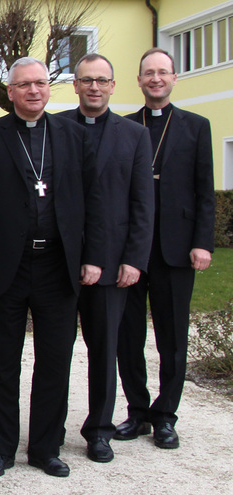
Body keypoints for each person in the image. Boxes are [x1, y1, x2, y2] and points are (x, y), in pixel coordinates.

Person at [0, 57, 103, 479]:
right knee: (0, 362)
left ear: (50, 87)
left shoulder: (75, 136)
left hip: (58, 266)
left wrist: (92, 256)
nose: (34, 91)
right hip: (4, 266)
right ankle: (0, 447)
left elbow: (93, 202)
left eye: (40, 83)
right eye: (24, 85)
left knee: (55, 361)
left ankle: (46, 447)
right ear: (10, 90)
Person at [54, 53, 154, 463]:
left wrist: (135, 259)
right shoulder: (55, 128)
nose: (94, 87)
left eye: (102, 80)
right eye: (86, 80)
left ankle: (99, 429)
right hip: (59, 260)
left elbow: (142, 203)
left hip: (113, 263)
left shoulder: (134, 135)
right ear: (74, 86)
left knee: (104, 348)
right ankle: (50, 427)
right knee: (56, 350)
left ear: (113, 86)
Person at [115, 47, 215, 450]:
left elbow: (205, 192)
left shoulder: (196, 126)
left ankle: (166, 415)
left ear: (174, 79)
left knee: (173, 337)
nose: (155, 79)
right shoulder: (124, 127)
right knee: (128, 335)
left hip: (176, 249)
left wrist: (202, 243)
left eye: (163, 73)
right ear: (139, 80)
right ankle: (137, 411)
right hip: (131, 251)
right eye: (148, 73)